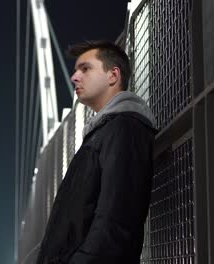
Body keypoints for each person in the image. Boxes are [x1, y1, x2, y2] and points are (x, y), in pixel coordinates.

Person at [36, 40, 157, 264]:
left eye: (85, 68)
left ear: (113, 75)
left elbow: (116, 221)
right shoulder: (103, 131)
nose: (74, 77)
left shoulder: (125, 128)